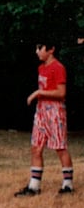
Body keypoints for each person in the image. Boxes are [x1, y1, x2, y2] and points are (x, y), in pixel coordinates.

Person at [15, 40, 73, 196]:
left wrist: (38, 93)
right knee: (36, 147)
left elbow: (61, 93)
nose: (37, 51)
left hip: (55, 111)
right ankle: (34, 187)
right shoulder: (41, 68)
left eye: (40, 48)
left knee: (60, 147)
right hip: (41, 111)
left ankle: (68, 185)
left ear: (51, 49)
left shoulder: (58, 68)